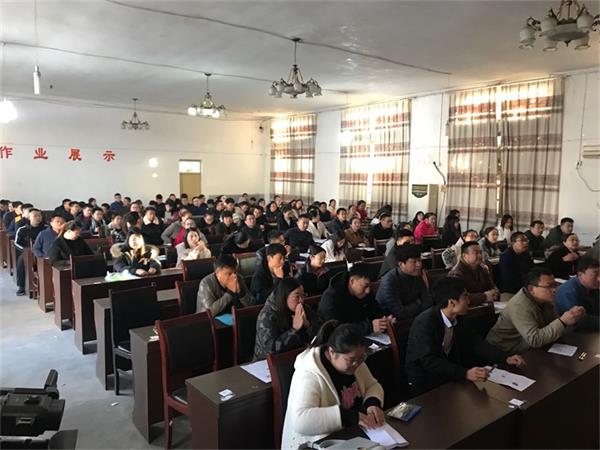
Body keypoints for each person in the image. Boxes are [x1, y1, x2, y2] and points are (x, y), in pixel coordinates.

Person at [405, 277, 525, 395]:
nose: (468, 301)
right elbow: (429, 361)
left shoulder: (458, 317)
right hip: (426, 382)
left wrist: (505, 358)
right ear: (452, 302)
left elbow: (475, 342)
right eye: (465, 296)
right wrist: (464, 373)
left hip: (448, 375)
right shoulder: (424, 323)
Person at [281, 321, 385, 450]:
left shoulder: (355, 360)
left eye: (361, 358)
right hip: (318, 443)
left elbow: (372, 385)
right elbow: (301, 420)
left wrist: (372, 403)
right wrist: (349, 417)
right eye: (351, 360)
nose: (357, 364)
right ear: (332, 352)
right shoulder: (309, 373)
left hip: (352, 436)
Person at [486, 268, 586, 353]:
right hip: (504, 350)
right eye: (549, 286)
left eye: (555, 285)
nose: (554, 290)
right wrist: (563, 321)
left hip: (527, 346)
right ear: (531, 289)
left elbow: (553, 326)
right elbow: (534, 340)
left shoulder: (545, 299)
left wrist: (573, 317)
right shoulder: (519, 305)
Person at [254, 277, 320, 360]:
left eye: (303, 295)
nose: (301, 300)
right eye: (297, 296)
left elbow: (321, 335)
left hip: (299, 357)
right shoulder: (267, 316)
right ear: (284, 297)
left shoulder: (304, 308)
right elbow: (271, 349)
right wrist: (294, 329)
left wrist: (307, 325)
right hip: (267, 362)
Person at [318, 263, 392, 336]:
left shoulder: (365, 293)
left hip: (363, 335)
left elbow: (375, 311)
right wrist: (370, 327)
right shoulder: (331, 298)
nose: (368, 291)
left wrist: (385, 320)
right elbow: (337, 331)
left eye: (370, 286)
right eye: (365, 286)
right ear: (352, 281)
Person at [375, 244, 433, 320]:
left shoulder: (417, 275)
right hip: (392, 322)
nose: (419, 265)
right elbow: (400, 313)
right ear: (401, 264)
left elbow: (428, 302)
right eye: (414, 261)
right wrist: (418, 303)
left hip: (415, 318)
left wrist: (415, 305)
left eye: (419, 260)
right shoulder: (389, 281)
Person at [449, 241, 499, 306]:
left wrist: (495, 292)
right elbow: (459, 297)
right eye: (476, 253)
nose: (480, 256)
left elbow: (491, 286)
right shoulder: (456, 273)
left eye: (480, 252)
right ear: (465, 256)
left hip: (485, 305)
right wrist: (484, 296)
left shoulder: (482, 269)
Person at [556, 257, 599, 330]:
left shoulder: (592, 286)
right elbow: (579, 321)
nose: (599, 278)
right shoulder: (568, 291)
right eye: (595, 274)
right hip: (570, 330)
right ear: (580, 275)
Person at [14, 209, 48, 296]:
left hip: (43, 252)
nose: (38, 218)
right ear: (29, 217)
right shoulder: (22, 229)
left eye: (39, 216)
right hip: (27, 253)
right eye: (35, 216)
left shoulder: (46, 228)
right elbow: (16, 243)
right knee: (21, 262)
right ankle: (21, 286)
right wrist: (26, 250)